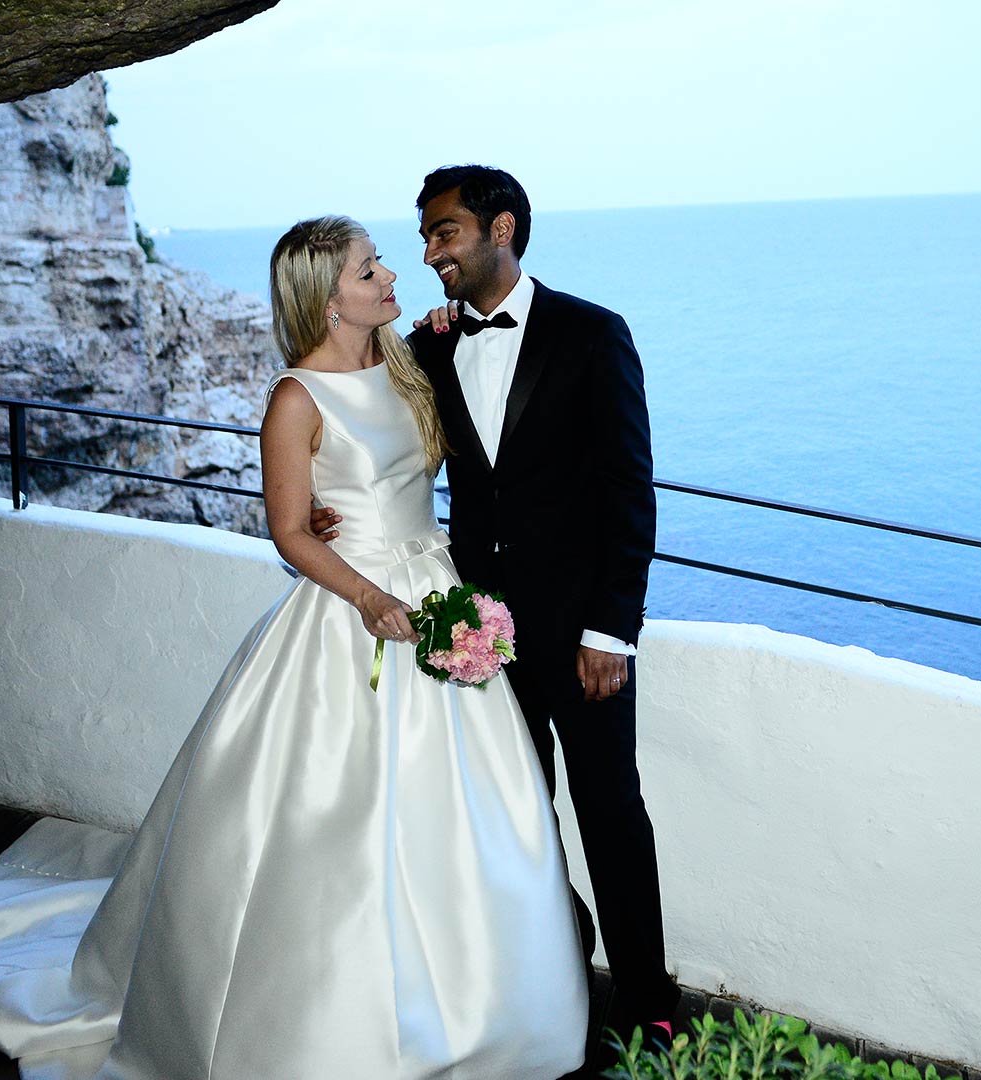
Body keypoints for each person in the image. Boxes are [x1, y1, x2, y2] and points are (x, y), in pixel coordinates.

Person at [0, 215, 588, 1080]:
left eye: (380, 263)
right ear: (326, 298)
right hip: (355, 615)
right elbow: (291, 532)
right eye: (369, 269)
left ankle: (477, 998)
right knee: (333, 823)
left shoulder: (408, 363)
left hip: (437, 593)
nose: (391, 275)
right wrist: (370, 596)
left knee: (471, 813)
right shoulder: (296, 398)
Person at [314, 165, 675, 1067]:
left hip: (582, 637)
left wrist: (611, 630)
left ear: (501, 228)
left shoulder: (593, 333)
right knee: (512, 818)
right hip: (473, 631)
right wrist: (324, 508)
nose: (429, 252)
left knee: (610, 814)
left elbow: (629, 489)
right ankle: (549, 977)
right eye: (424, 237)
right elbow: (364, 433)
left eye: (444, 233)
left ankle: (649, 1000)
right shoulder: (426, 347)